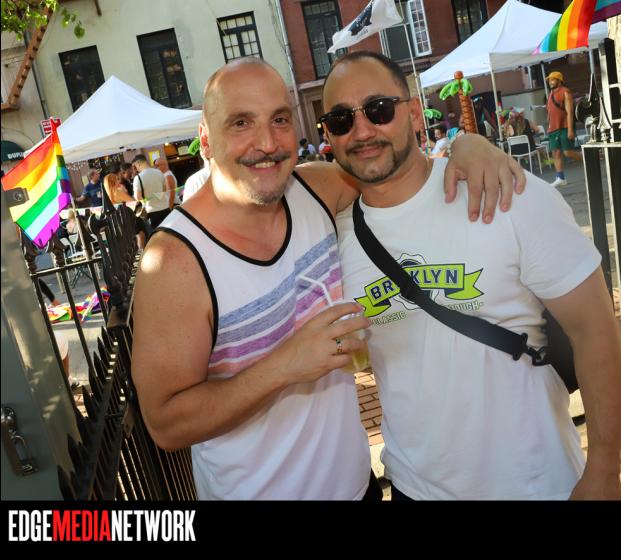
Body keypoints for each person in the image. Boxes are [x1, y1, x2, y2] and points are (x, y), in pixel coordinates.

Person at [131, 57, 525, 500]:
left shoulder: (315, 190)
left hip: (360, 487)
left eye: (280, 119)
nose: (267, 143)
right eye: (241, 122)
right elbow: (165, 424)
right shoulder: (175, 262)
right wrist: (284, 366)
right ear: (205, 138)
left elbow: (397, 170)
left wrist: (467, 146)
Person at [321, 51, 621, 500]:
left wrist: (603, 468)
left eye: (379, 109)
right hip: (413, 488)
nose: (362, 130)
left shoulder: (508, 194)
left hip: (536, 484)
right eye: (341, 119)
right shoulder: (332, 239)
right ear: (328, 134)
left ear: (413, 113)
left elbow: (595, 330)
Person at [546, 71, 583, 187]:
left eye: (553, 80)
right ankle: (560, 178)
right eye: (549, 80)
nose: (550, 82)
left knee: (568, 152)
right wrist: (549, 126)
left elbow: (570, 112)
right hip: (553, 128)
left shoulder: (565, 92)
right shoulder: (550, 94)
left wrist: (570, 129)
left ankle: (586, 160)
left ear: (559, 80)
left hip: (565, 127)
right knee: (555, 153)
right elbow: (550, 111)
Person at [103, 173, 146, 249]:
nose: (119, 181)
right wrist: (125, 191)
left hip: (120, 219)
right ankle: (142, 251)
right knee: (140, 234)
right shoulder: (117, 192)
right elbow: (133, 202)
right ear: (113, 181)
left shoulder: (108, 194)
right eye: (117, 179)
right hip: (129, 217)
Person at [132, 154, 170, 230]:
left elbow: (138, 197)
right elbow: (164, 190)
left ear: (138, 163)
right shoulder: (159, 172)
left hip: (152, 212)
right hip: (165, 208)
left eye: (135, 166)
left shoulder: (138, 178)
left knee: (157, 235)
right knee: (171, 233)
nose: (136, 169)